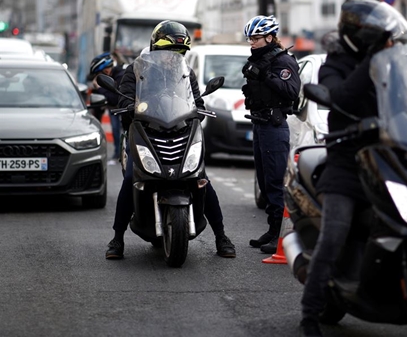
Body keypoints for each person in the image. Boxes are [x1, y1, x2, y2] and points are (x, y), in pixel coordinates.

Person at [297, 0, 407, 337]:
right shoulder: (337, 63)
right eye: (379, 40)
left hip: (387, 163)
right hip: (346, 164)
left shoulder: (389, 63)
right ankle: (310, 315)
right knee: (335, 235)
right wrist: (374, 62)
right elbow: (341, 95)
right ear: (363, 38)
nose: (386, 45)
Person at [106, 20, 236, 260]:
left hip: (180, 132)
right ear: (156, 48)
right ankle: (117, 238)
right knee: (129, 179)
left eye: (177, 52)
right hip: (145, 132)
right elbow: (124, 97)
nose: (172, 57)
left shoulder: (186, 72)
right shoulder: (136, 69)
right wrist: (128, 106)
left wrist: (198, 107)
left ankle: (221, 236)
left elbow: (196, 100)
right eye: (168, 51)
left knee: (201, 179)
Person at [241, 15, 301, 254]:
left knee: (276, 183)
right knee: (265, 183)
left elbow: (292, 91)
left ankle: (280, 235)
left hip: (274, 126)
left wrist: (265, 75)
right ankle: (271, 229)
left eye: (255, 38)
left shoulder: (282, 60)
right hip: (259, 123)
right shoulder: (261, 59)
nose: (252, 43)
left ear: (269, 37)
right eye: (250, 39)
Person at [89, 52, 124, 164]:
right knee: (115, 131)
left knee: (121, 132)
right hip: (112, 108)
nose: (99, 78)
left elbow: (114, 98)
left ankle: (121, 155)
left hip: (123, 109)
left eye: (99, 74)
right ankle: (117, 154)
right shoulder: (111, 75)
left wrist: (99, 88)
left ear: (106, 71)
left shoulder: (120, 75)